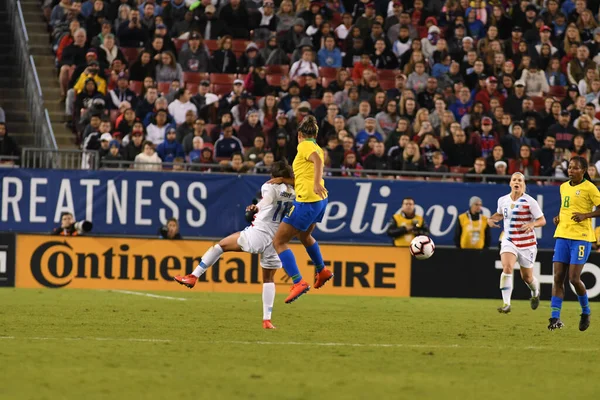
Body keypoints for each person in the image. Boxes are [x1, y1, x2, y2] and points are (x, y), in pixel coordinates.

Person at [174, 161, 295, 329]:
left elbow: (266, 200)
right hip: (277, 239)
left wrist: (256, 207)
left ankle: (193, 276)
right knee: (268, 278)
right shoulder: (294, 191)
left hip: (259, 232)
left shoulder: (270, 186)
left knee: (220, 246)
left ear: (274, 176)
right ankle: (267, 320)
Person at [269, 115, 333, 304]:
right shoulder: (317, 147)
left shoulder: (304, 146)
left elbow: (318, 163)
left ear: (299, 134)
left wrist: (315, 183)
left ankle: (298, 282)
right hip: (321, 200)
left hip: (307, 202)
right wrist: (283, 180)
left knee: (279, 242)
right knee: (305, 236)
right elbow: (303, 176)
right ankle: (321, 270)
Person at [549, 156, 600, 331]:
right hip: (562, 234)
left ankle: (586, 311)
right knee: (557, 277)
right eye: (570, 167)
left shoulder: (590, 188)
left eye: (575, 168)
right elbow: (566, 208)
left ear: (584, 170)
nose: (571, 170)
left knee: (573, 279)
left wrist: (586, 215)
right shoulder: (563, 187)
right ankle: (554, 318)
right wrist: (559, 217)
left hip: (581, 237)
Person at [487, 172, 546, 314]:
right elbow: (501, 214)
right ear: (510, 183)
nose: (517, 182)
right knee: (507, 267)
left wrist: (532, 224)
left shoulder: (530, 201)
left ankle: (535, 292)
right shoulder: (502, 200)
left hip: (527, 244)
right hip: (509, 240)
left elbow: (542, 220)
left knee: (527, 277)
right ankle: (506, 303)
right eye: (514, 180)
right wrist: (491, 219)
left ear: (523, 184)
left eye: (520, 180)